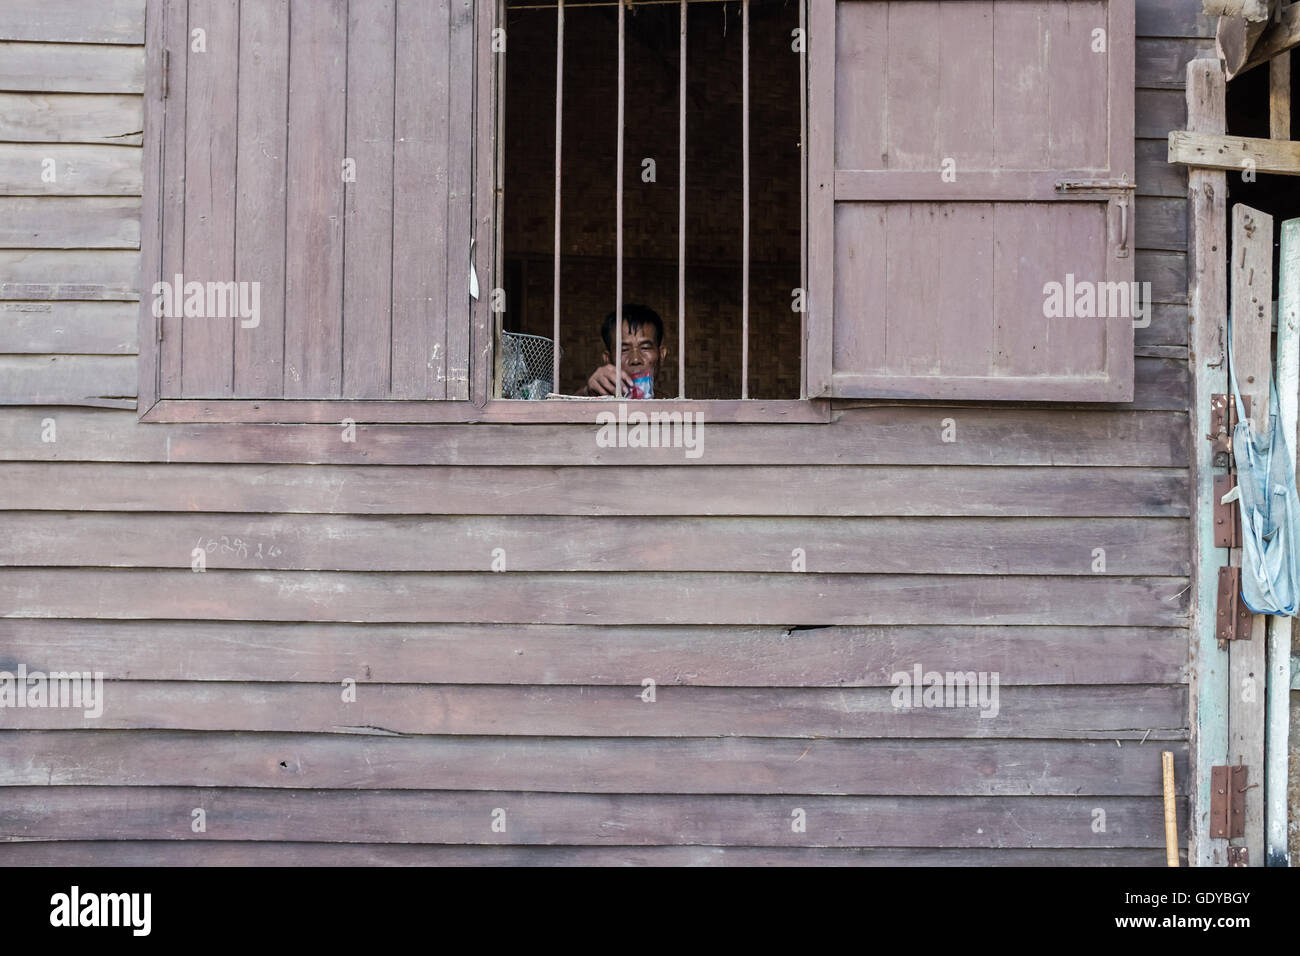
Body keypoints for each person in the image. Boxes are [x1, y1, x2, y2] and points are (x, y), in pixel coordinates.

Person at [576, 303, 668, 397]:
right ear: (608, 359)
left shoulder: (673, 409)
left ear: (661, 355)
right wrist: (587, 393)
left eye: (645, 348)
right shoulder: (595, 401)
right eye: (624, 350)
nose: (635, 359)